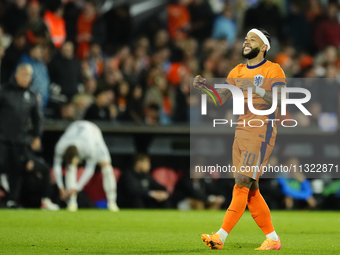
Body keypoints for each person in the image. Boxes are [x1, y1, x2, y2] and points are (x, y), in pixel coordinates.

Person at [193, 28, 286, 250]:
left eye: (251, 39)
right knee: (251, 189)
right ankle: (272, 239)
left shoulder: (273, 69)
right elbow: (219, 99)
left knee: (242, 184)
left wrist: (256, 89)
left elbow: (281, 100)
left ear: (263, 46)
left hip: (261, 132)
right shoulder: (237, 70)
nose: (246, 42)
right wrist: (204, 88)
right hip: (241, 131)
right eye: (245, 38)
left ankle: (220, 236)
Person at [53, 120, 119, 212]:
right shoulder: (60, 147)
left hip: (93, 133)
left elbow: (90, 169)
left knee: (107, 168)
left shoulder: (89, 147)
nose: (74, 163)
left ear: (78, 156)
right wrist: (60, 187)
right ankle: (72, 203)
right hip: (76, 128)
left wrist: (77, 187)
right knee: (70, 169)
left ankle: (112, 203)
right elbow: (56, 167)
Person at [0, 64, 42, 208]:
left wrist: (37, 136)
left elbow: (37, 118)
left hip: (19, 139)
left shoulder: (31, 95)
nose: (25, 78)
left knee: (16, 170)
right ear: (16, 75)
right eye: (23, 75)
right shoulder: (4, 91)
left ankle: (11, 200)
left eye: (28, 76)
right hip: (2, 138)